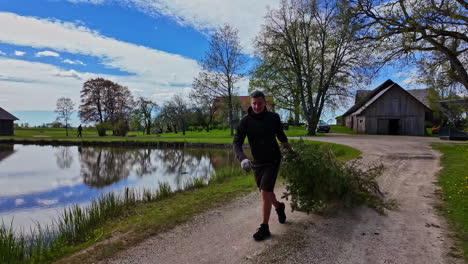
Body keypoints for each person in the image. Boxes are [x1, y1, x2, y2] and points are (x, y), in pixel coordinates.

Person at [233, 90, 292, 241]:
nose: (257, 106)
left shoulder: (273, 117)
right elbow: (237, 142)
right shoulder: (245, 121)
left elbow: (281, 136)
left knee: (265, 192)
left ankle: (264, 227)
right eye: (254, 103)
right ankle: (279, 207)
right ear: (250, 104)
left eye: (260, 103)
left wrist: (291, 151)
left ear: (265, 103)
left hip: (273, 160)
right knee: (266, 192)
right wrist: (242, 158)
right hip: (257, 162)